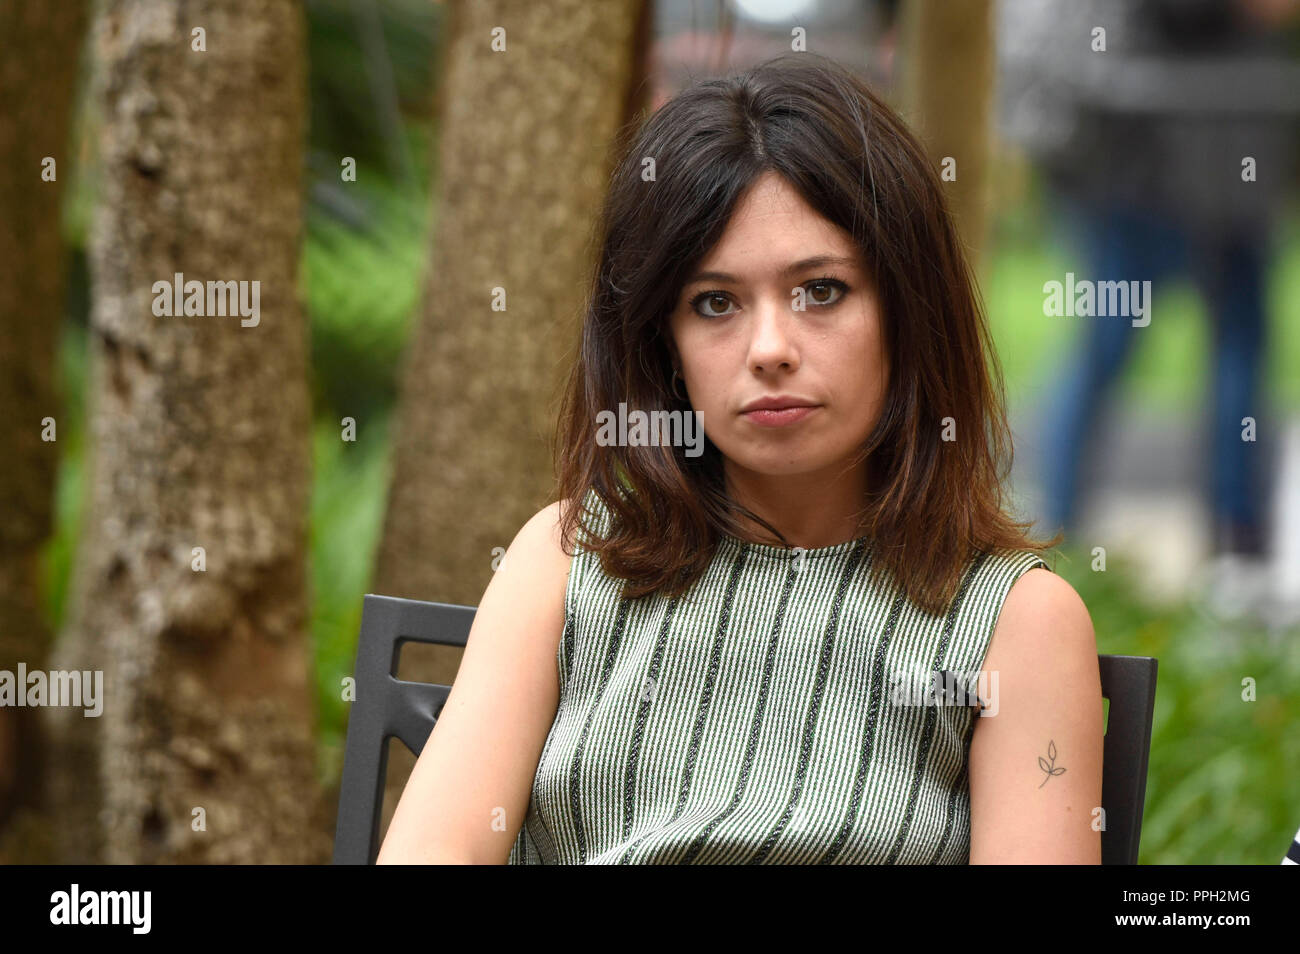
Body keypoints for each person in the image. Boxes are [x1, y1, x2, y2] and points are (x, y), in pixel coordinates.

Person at [377, 53, 1103, 865]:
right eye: (714, 303)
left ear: (909, 311)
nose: (769, 349)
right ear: (665, 346)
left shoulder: (1012, 623)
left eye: (821, 290)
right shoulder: (566, 562)